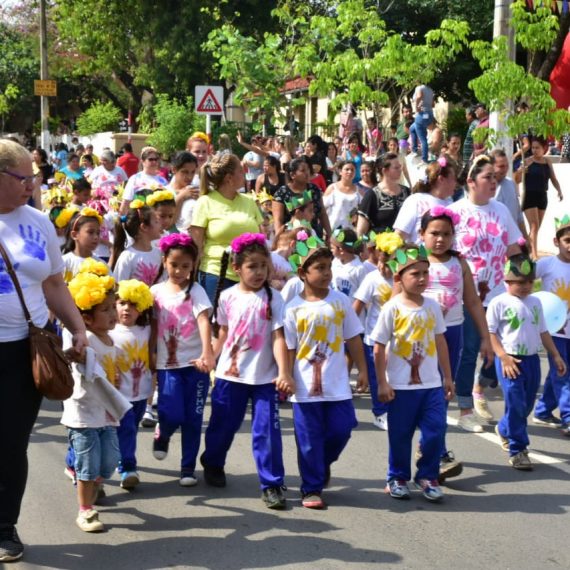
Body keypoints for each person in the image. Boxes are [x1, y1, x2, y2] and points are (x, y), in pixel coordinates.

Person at [0, 140, 87, 562]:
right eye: (23, 178)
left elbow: (54, 283)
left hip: (25, 351)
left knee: (10, 443)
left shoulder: (37, 221)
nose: (32, 184)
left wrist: (78, 327)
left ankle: (3, 527)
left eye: (33, 177)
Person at [201, 233, 293, 508]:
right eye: (252, 266)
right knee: (223, 426)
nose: (259, 272)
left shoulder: (275, 298)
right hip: (231, 376)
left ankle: (272, 483)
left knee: (267, 431)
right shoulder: (227, 296)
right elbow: (223, 333)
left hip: (265, 378)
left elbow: (278, 337)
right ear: (236, 268)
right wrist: (210, 356)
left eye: (264, 266)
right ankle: (213, 462)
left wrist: (284, 372)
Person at [283, 231, 368, 508]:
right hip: (305, 387)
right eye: (320, 268)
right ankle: (311, 488)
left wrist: (363, 370)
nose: (327, 273)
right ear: (302, 273)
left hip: (337, 385)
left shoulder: (340, 301)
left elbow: (353, 337)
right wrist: (286, 375)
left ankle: (321, 464)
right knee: (308, 439)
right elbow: (289, 347)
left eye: (329, 267)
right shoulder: (292, 309)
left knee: (342, 428)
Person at [371, 243, 454, 503]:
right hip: (400, 387)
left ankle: (427, 476)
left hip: (431, 385)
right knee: (400, 435)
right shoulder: (392, 308)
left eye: (425, 273)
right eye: (414, 273)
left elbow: (440, 341)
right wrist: (382, 382)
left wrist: (447, 377)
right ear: (399, 277)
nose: (421, 278)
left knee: (436, 430)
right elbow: (378, 347)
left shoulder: (432, 306)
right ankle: (397, 477)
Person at [419, 207, 492, 481]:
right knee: (425, 394)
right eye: (434, 233)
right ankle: (433, 451)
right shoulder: (414, 260)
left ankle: (434, 450)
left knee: (442, 392)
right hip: (420, 336)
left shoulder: (459, 263)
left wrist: (485, 337)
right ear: (422, 234)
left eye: (447, 234)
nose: (440, 239)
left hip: (452, 333)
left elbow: (472, 301)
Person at [450, 155, 522, 433]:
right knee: (470, 350)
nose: (493, 182)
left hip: (498, 293)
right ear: (471, 181)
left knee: (505, 348)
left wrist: (523, 277)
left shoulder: (501, 210)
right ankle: (465, 409)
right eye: (487, 177)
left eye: (495, 177)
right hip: (468, 296)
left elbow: (513, 247)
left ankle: (480, 385)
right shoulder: (455, 212)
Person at [488, 253, 566, 470]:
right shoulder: (498, 302)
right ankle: (518, 450)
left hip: (531, 361)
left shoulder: (535, 302)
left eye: (530, 282)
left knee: (526, 405)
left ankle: (504, 429)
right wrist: (503, 357)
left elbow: (543, 331)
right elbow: (491, 333)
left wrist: (556, 355)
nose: (525, 286)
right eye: (520, 282)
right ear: (507, 281)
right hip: (510, 361)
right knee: (516, 403)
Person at [150, 234, 215, 486]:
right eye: (174, 264)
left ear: (193, 265)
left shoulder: (196, 291)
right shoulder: (155, 292)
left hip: (195, 365)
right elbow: (151, 326)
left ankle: (187, 468)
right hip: (168, 366)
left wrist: (207, 353)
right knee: (172, 413)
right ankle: (163, 432)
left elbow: (203, 320)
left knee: (193, 419)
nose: (179, 271)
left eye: (185, 266)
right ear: (164, 261)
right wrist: (150, 353)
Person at [64, 268, 125, 532]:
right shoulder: (85, 339)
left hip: (107, 413)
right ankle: (85, 510)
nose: (113, 313)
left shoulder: (112, 339)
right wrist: (76, 354)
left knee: (110, 461)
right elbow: (75, 356)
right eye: (106, 309)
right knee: (88, 465)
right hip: (84, 414)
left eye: (113, 307)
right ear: (87, 318)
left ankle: (85, 478)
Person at [190, 154, 263, 302]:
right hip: (216, 274)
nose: (245, 173)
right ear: (229, 178)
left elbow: (262, 240)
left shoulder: (249, 201)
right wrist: (190, 280)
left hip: (251, 276)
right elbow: (196, 246)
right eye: (241, 171)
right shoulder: (205, 202)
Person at [353, 230, 399, 431]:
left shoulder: (403, 278)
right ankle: (380, 413)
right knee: (376, 378)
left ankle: (395, 410)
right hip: (374, 338)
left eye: (390, 259)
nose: (384, 264)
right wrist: (348, 332)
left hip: (398, 340)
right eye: (382, 257)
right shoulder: (372, 278)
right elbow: (358, 305)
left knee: (394, 377)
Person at [112, 279, 154, 490]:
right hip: (118, 395)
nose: (127, 308)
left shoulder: (147, 329)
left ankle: (118, 459)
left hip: (141, 394)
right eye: (122, 303)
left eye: (133, 304)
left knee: (130, 429)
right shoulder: (109, 330)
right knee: (127, 429)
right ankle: (127, 468)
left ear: (142, 308)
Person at [533, 216, 570, 434]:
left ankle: (543, 410)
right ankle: (568, 416)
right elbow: (523, 279)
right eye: (567, 240)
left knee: (560, 370)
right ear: (557, 242)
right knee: (562, 371)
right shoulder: (547, 264)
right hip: (555, 331)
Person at [514, 136, 563, 260]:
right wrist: (520, 172)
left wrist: (559, 190)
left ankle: (525, 249)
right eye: (533, 148)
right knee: (534, 226)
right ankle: (534, 256)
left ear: (544, 148)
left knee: (536, 228)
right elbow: (517, 180)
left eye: (537, 148)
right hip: (530, 196)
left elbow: (553, 178)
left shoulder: (547, 162)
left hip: (542, 196)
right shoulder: (527, 161)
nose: (535, 150)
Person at [393, 157, 456, 244]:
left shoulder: (450, 202)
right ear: (441, 179)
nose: (455, 183)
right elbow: (399, 236)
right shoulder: (416, 200)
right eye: (453, 179)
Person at [272, 157, 332, 238]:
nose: (307, 173)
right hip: (292, 238)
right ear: (292, 175)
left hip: (315, 237)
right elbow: (278, 220)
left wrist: (329, 235)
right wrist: (279, 239)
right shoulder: (282, 193)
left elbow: (322, 213)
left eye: (308, 169)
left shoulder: (314, 189)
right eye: (303, 170)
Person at [111, 197, 163, 287]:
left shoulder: (159, 253)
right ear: (144, 227)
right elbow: (118, 287)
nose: (160, 224)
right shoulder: (127, 257)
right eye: (156, 222)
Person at [357, 153, 410, 236]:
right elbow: (361, 231)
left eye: (400, 166)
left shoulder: (407, 192)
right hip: (378, 243)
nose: (400, 170)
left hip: (404, 243)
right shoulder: (372, 195)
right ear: (384, 171)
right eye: (396, 168)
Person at [120, 147, 168, 213]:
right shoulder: (134, 179)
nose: (154, 162)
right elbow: (125, 203)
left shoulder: (163, 181)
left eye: (156, 159)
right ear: (143, 161)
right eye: (150, 159)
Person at [491, 149, 527, 237]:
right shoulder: (486, 189)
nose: (505, 169)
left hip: (513, 239)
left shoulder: (511, 183)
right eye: (501, 166)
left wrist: (525, 236)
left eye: (507, 165)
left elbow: (518, 214)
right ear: (491, 166)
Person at [61, 207, 103, 282]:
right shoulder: (63, 263)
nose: (96, 237)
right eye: (90, 232)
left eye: (98, 233)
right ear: (74, 235)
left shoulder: (101, 265)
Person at [167, 151, 199, 233]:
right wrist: (181, 197)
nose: (189, 177)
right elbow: (167, 225)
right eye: (185, 172)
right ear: (174, 169)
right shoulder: (164, 192)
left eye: (193, 172)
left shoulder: (196, 191)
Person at [323, 160, 361, 230]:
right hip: (333, 229)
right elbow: (323, 209)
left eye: (352, 170)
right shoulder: (332, 188)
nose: (350, 172)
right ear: (340, 171)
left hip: (351, 230)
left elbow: (362, 209)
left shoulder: (358, 190)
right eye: (347, 169)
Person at [409, 84, 435, 164]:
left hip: (421, 114)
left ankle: (424, 158)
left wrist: (417, 107)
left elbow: (419, 96)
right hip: (429, 114)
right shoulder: (430, 90)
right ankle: (415, 149)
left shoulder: (419, 87)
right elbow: (433, 104)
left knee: (423, 139)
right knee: (412, 128)